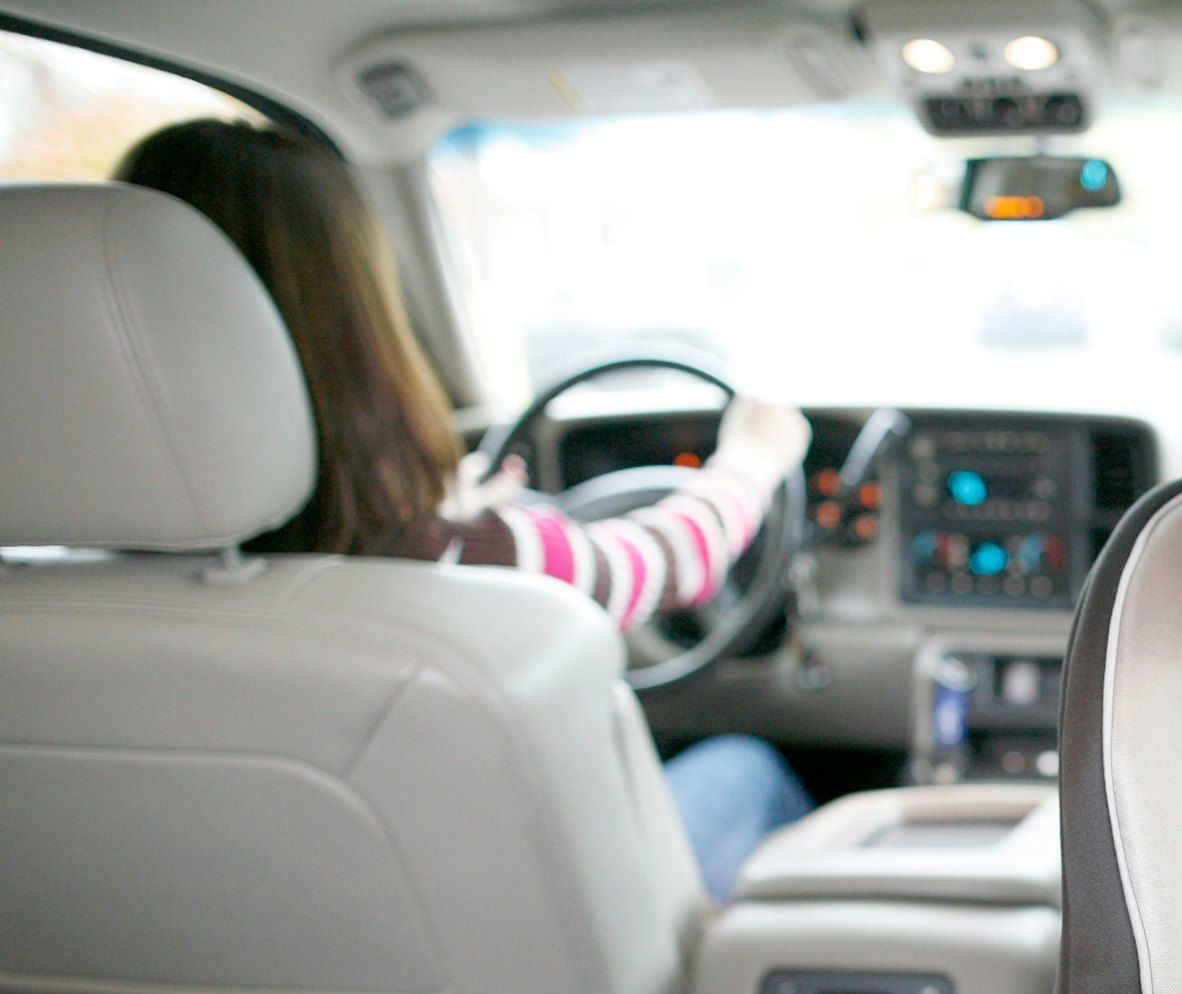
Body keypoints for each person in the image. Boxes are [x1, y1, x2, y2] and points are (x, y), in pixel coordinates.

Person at [115, 117, 812, 902]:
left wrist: (453, 504)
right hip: (526, 967)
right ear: (358, 325)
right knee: (749, 770)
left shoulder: (61, 593)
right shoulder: (456, 560)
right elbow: (668, 564)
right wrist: (751, 460)